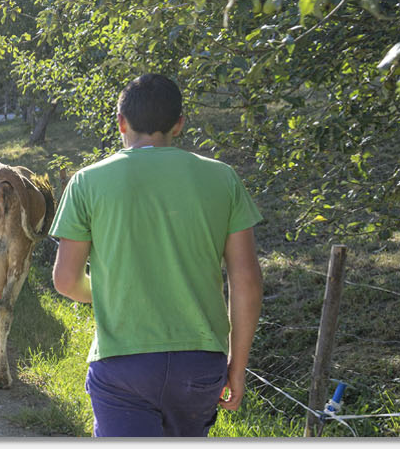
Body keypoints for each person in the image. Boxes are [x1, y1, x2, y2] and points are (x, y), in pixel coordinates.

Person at [50, 73, 263, 437]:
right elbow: (246, 281)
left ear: (121, 122)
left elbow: (66, 281)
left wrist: (107, 294)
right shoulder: (223, 179)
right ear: (179, 125)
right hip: (199, 366)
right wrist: (237, 368)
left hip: (122, 364)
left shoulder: (87, 182)